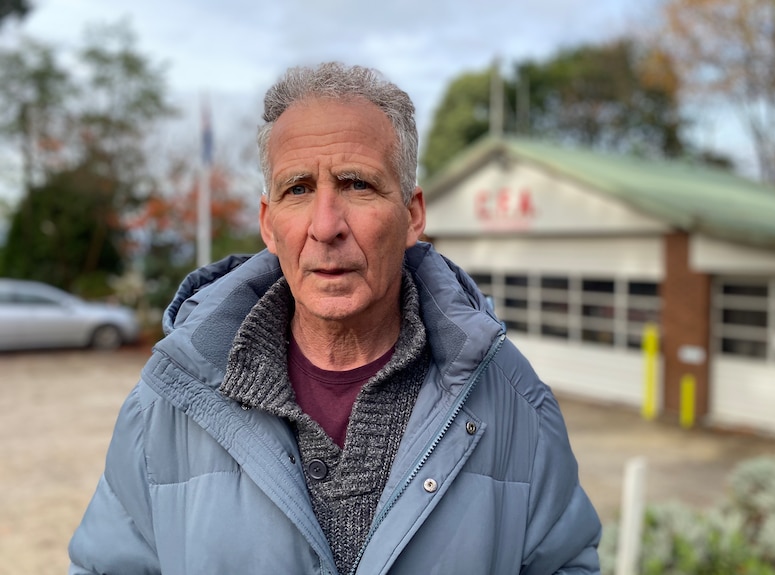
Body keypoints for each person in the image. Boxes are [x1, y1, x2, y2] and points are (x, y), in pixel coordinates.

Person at [68, 62, 601, 574]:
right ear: (268, 224)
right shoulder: (168, 402)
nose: (326, 226)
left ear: (413, 214)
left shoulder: (513, 400)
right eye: (297, 189)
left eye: (356, 184)